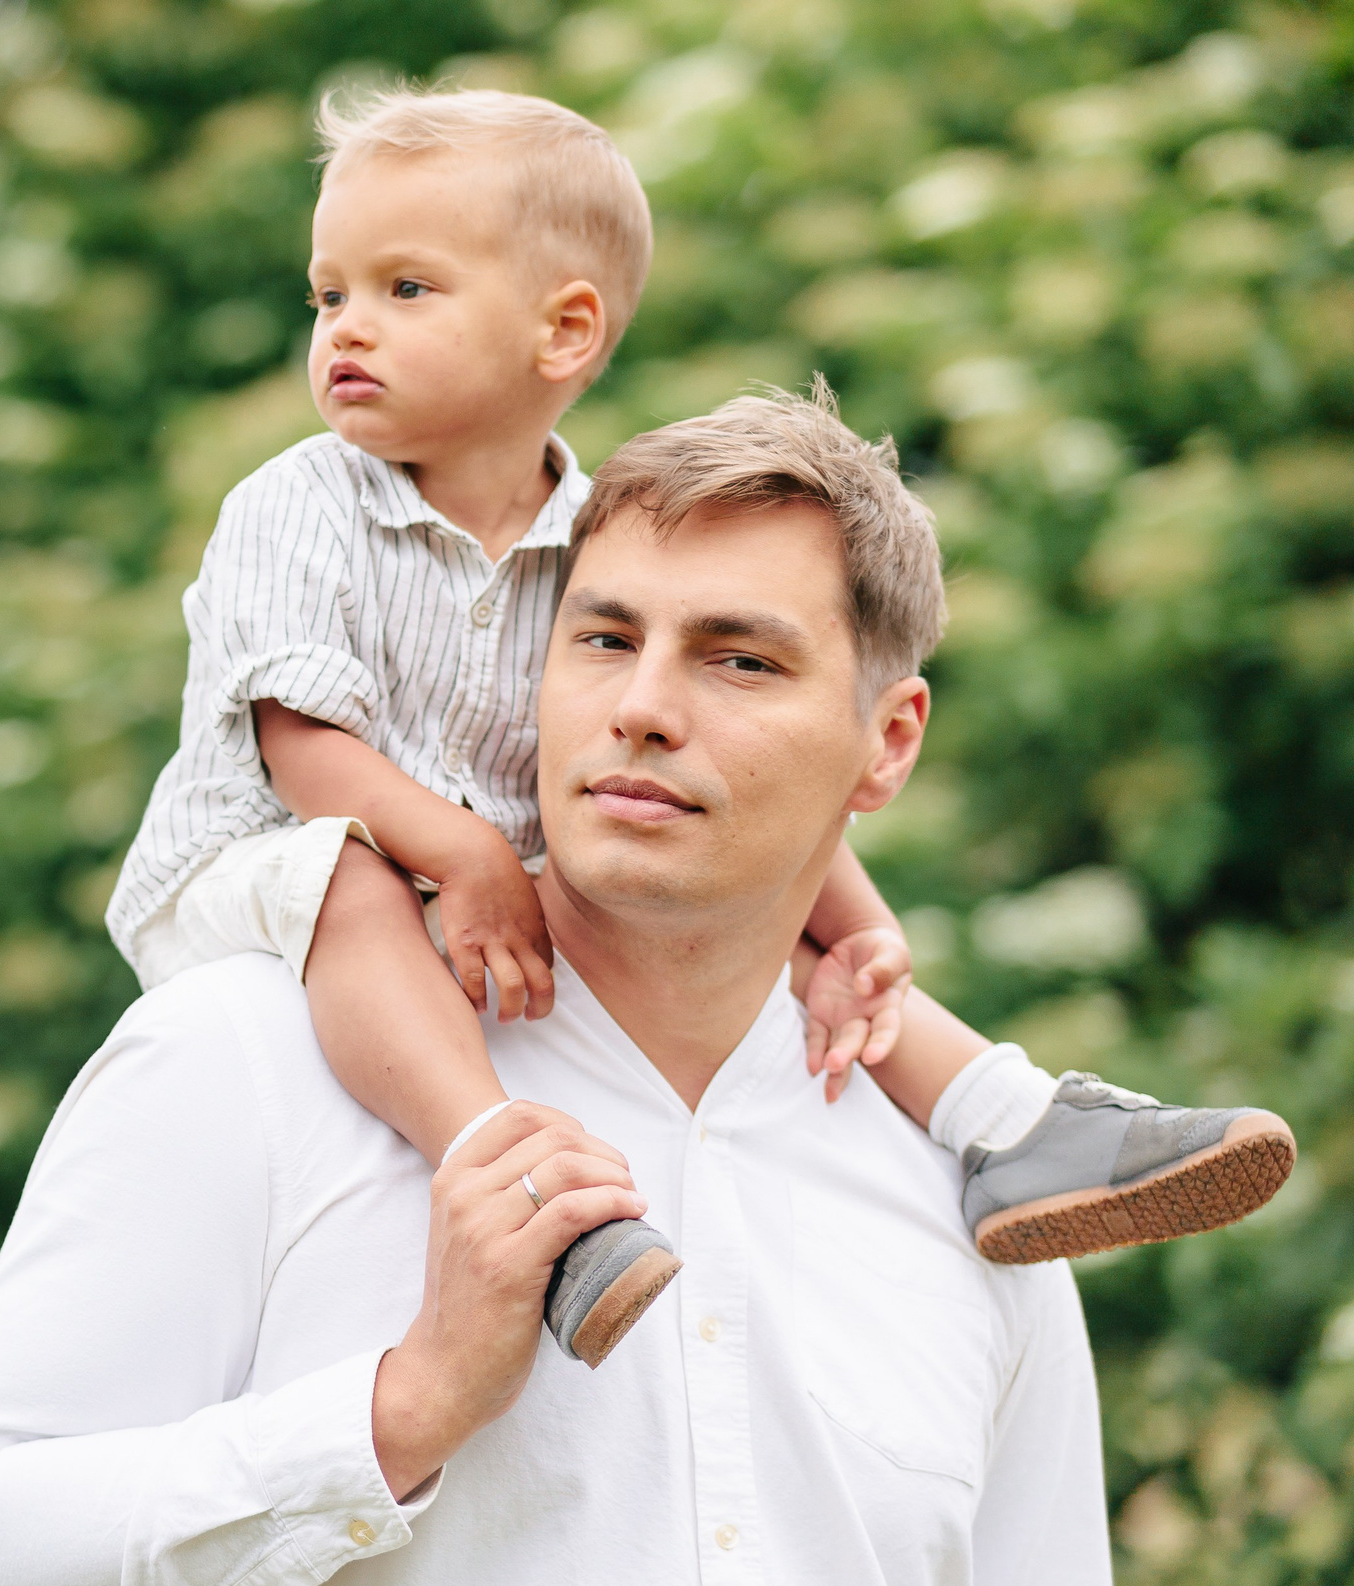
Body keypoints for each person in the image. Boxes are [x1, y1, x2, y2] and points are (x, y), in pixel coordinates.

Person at [0, 391, 1128, 1586]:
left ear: (886, 743)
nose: (645, 707)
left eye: (741, 660)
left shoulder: (970, 1198)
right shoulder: (245, 1056)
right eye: (603, 638)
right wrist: (404, 1406)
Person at [106, 86, 1292, 1365]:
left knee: (717, 890)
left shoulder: (589, 536)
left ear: (563, 332)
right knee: (344, 883)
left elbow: (693, 750)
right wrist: (466, 858)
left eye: (405, 290)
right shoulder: (298, 501)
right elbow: (302, 752)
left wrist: (859, 930)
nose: (346, 330)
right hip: (278, 858)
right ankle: (513, 1185)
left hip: (483, 871)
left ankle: (1005, 1126)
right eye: (326, 295)